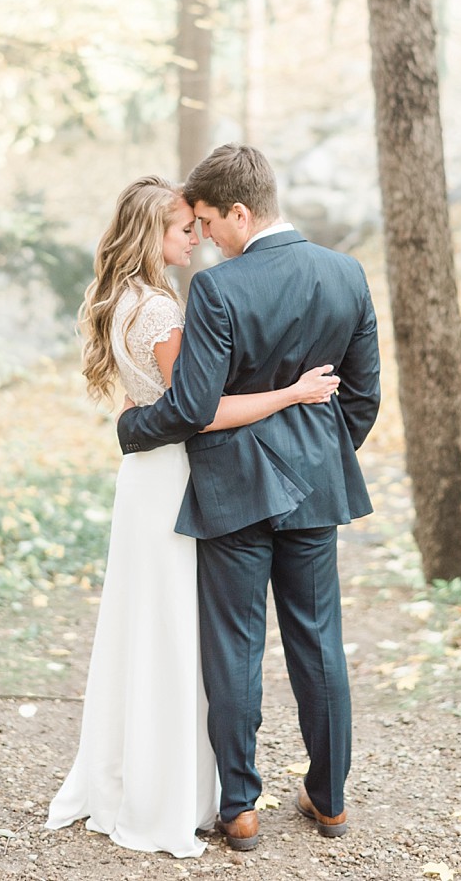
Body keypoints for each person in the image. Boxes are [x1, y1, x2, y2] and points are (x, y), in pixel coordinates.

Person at [46, 175, 340, 859]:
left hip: (143, 480)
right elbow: (199, 413)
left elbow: (152, 406)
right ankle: (174, 793)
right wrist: (292, 392)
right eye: (184, 229)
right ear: (154, 234)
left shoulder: (124, 298)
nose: (195, 238)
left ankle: (158, 781)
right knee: (178, 637)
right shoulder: (159, 311)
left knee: (148, 633)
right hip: (176, 479)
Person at [117, 145, 381, 851]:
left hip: (233, 489)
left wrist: (131, 426)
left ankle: (240, 807)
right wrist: (317, 456)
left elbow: (194, 405)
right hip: (316, 487)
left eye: (208, 220)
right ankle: (329, 801)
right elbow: (362, 396)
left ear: (240, 211)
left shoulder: (219, 289)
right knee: (320, 641)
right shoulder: (346, 273)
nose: (205, 235)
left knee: (234, 647)